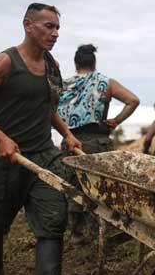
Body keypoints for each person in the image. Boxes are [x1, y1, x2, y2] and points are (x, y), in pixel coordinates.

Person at [0, 3, 82, 275]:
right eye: (48, 26)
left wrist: (67, 133)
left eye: (57, 28)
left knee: (53, 220)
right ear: (28, 25)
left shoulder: (51, 65)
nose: (55, 33)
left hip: (44, 157)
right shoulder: (6, 62)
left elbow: (46, 107)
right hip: (6, 158)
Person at [58, 44, 140, 244]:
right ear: (94, 63)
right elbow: (133, 100)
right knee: (99, 188)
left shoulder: (63, 84)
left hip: (70, 140)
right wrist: (116, 121)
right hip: (97, 140)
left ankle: (76, 233)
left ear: (76, 64)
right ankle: (99, 233)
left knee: (73, 186)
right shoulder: (105, 82)